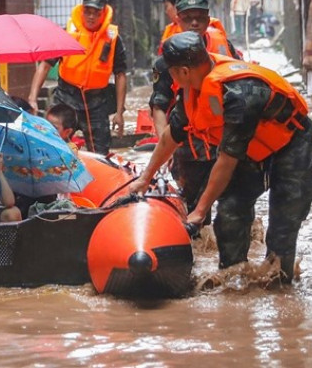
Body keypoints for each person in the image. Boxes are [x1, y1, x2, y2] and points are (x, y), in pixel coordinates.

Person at [131, 32, 312, 283]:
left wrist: (199, 212)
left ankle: (279, 286)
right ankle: (233, 281)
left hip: (293, 145)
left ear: (184, 71)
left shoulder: (239, 94)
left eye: (171, 72)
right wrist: (144, 177)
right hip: (253, 150)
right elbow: (170, 137)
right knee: (229, 212)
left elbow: (226, 161)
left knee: (283, 225)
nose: (170, 78)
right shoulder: (193, 91)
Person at [149, 0, 242, 216]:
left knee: (234, 209)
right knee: (194, 212)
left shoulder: (224, 48)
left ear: (208, 20)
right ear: (178, 20)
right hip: (189, 148)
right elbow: (159, 105)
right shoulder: (167, 61)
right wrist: (165, 147)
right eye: (188, 18)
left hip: (224, 144)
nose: (194, 23)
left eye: (199, 18)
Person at [28, 0, 127, 155]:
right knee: (51, 145)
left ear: (104, 14)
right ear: (81, 11)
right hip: (66, 98)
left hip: (97, 102)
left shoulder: (113, 39)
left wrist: (119, 112)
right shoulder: (66, 33)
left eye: (96, 13)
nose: (91, 17)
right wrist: (32, 97)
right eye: (87, 11)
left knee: (100, 153)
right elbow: (45, 65)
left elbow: (121, 75)